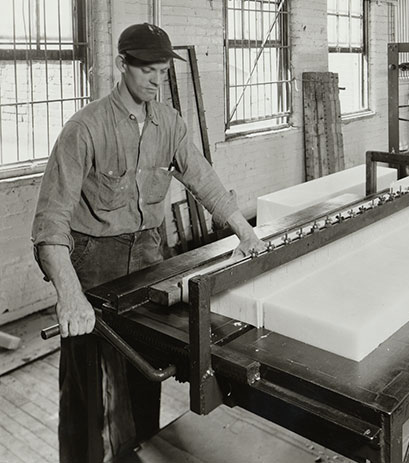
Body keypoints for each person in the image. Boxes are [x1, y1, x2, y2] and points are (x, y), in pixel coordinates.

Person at [32, 23, 265, 463]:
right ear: (122, 65)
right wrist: (71, 296)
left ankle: (137, 452)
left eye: (163, 71)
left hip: (147, 262)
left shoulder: (169, 124)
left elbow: (204, 180)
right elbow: (49, 224)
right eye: (148, 72)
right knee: (97, 388)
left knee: (144, 374)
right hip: (94, 268)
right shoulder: (85, 129)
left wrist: (246, 232)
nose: (158, 82)